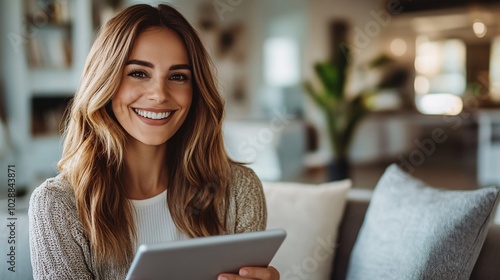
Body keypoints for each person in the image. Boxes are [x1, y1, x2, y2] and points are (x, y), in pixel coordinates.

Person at [28, 3, 279, 280]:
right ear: (105, 82)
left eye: (178, 77)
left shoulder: (240, 191)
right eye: (138, 73)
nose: (159, 94)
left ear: (195, 92)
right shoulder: (57, 205)